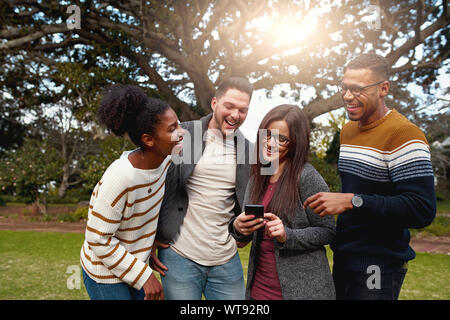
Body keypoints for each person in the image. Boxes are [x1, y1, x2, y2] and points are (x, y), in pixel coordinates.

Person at [303, 53, 436, 300]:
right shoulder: (348, 131)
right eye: (344, 87)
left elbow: (422, 209)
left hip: (379, 263)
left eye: (357, 89)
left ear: (383, 88)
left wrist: (352, 201)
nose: (347, 96)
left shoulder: (404, 134)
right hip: (345, 254)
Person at [149, 77, 254, 300]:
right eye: (229, 106)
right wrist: (150, 239)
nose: (235, 115)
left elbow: (252, 196)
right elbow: (152, 183)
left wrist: (245, 233)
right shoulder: (182, 136)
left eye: (243, 110)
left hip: (226, 258)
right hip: (179, 256)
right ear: (215, 103)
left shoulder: (249, 150)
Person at [80, 84, 185, 300]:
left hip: (134, 265)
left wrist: (151, 239)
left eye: (179, 124)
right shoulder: (121, 176)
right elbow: (98, 239)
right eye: (172, 128)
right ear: (148, 140)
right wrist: (145, 276)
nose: (181, 132)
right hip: (104, 273)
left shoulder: (165, 162)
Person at [230, 105, 336, 300]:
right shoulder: (257, 176)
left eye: (282, 139)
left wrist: (288, 235)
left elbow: (328, 231)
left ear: (296, 142)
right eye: (268, 134)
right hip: (259, 291)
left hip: (302, 292)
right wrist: (237, 227)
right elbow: (244, 237)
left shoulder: (307, 177)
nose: (270, 143)